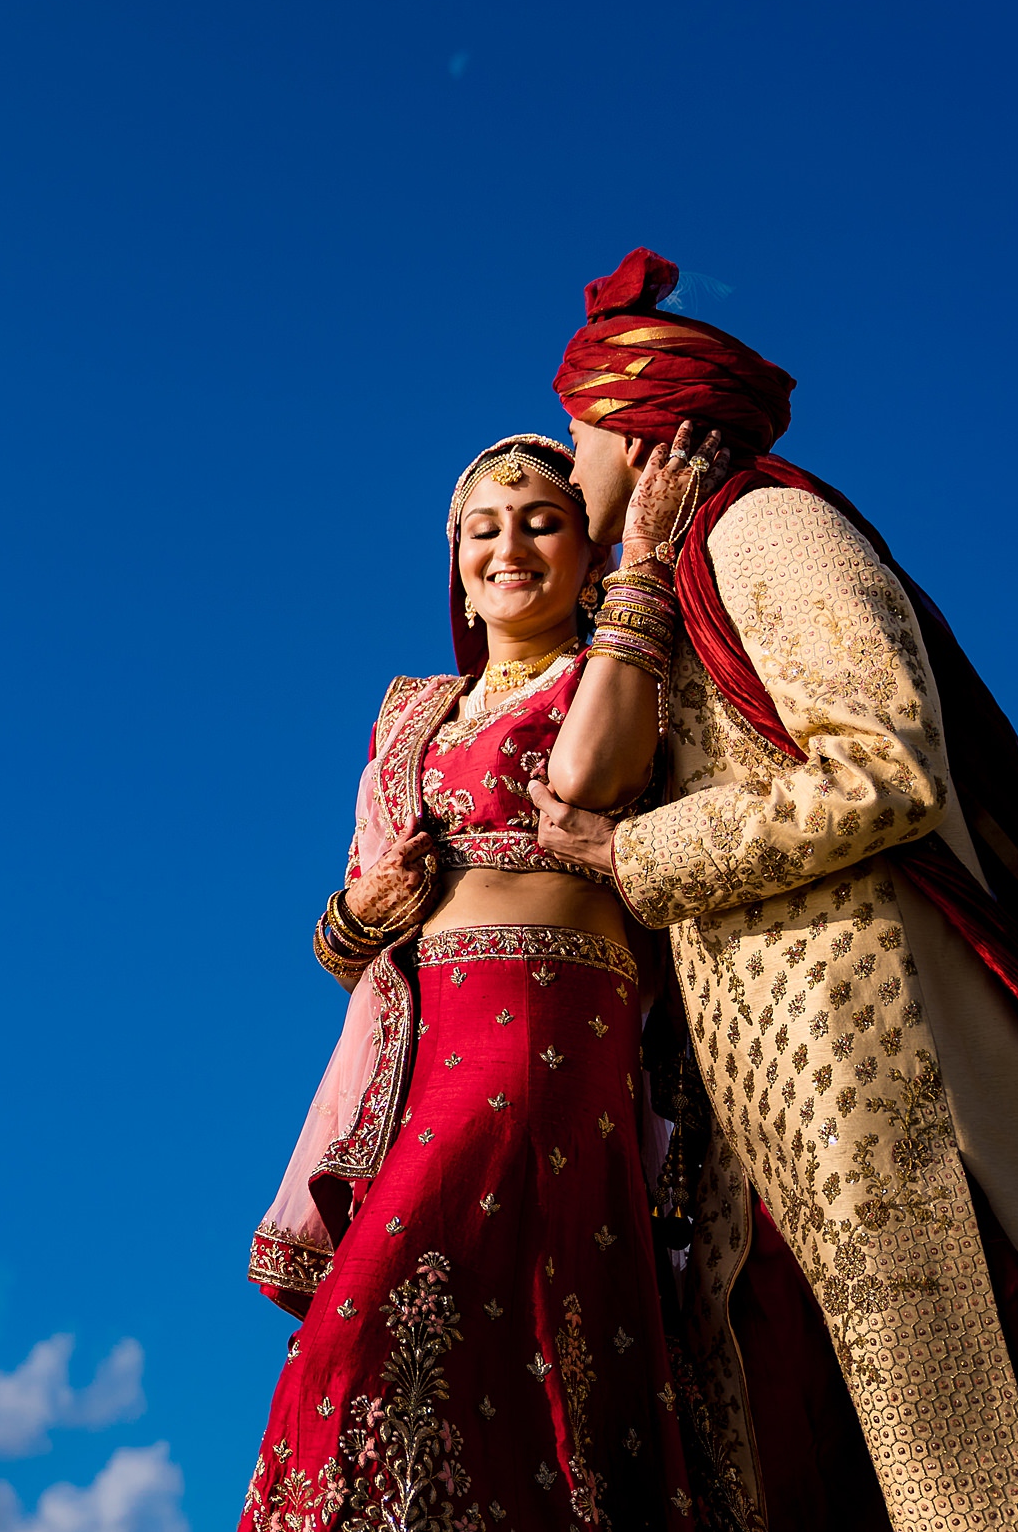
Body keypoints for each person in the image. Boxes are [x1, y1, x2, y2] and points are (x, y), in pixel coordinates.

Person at [528, 248, 1018, 1532]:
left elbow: (883, 764)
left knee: (996, 1452)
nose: (569, 477)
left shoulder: (768, 527)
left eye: (577, 442)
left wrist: (639, 859)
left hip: (888, 1063)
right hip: (781, 1110)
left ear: (636, 423)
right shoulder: (673, 582)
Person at [240, 429, 722, 1532]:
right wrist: (359, 913)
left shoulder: (623, 673)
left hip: (545, 1022)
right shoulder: (412, 711)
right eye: (482, 528)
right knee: (455, 1351)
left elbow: (591, 777)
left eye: (543, 520)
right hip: (418, 1050)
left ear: (586, 545)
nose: (510, 546)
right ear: (454, 557)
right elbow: (341, 939)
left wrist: (642, 565)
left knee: (370, 1334)